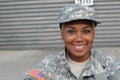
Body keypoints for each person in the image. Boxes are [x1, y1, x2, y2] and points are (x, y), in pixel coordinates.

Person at [23, 4, 120, 80]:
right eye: (71, 31)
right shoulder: (50, 64)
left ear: (93, 34)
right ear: (62, 34)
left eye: (86, 31)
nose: (79, 39)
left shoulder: (108, 64)